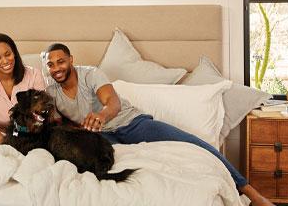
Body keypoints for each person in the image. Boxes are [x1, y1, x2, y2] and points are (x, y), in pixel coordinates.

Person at [44, 43, 275, 206]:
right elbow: (57, 122)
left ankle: (251, 193)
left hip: (131, 123)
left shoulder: (90, 74)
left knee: (196, 145)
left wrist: (102, 116)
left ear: (71, 60)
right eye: (51, 65)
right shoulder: (50, 92)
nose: (57, 68)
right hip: (102, 138)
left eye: (61, 61)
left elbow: (112, 102)